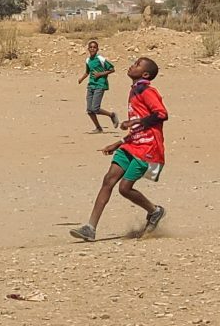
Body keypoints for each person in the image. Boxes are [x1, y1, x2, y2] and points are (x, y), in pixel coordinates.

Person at [71, 57, 168, 242]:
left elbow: (162, 114)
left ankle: (154, 211)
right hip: (131, 144)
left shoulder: (147, 91)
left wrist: (135, 121)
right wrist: (119, 142)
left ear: (145, 74)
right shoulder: (134, 90)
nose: (132, 65)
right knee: (108, 180)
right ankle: (90, 228)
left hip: (147, 147)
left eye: (138, 65)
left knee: (124, 188)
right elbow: (138, 126)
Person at [78, 40, 119, 133]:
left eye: (94, 47)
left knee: (95, 108)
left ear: (97, 49)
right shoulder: (88, 60)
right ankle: (98, 128)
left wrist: (100, 74)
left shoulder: (100, 59)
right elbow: (87, 71)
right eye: (91, 47)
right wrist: (81, 78)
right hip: (91, 85)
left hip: (100, 84)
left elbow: (112, 69)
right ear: (88, 49)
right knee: (89, 110)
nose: (92, 49)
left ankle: (111, 115)